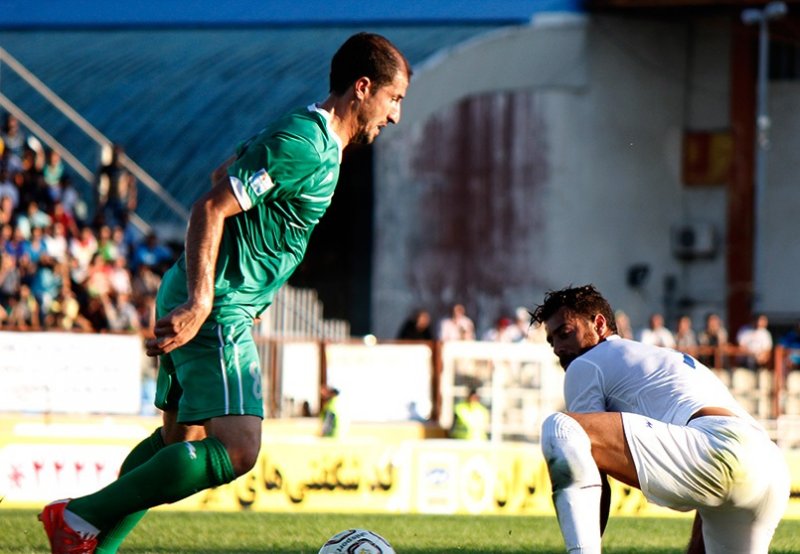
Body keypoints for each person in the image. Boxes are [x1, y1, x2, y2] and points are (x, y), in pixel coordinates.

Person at [38, 32, 411, 554]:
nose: (395, 116)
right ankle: (78, 517)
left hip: (216, 294)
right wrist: (204, 299)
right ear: (363, 88)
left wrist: (239, 285)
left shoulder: (307, 136)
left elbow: (223, 176)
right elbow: (210, 206)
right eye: (394, 100)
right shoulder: (305, 145)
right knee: (238, 449)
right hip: (215, 303)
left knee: (178, 442)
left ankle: (91, 544)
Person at [530, 284, 788, 554]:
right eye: (551, 341)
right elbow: (726, 463)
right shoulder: (655, 356)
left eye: (565, 333)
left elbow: (590, 470)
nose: (558, 348)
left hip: (722, 449)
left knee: (561, 428)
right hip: (768, 464)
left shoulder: (586, 363)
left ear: (599, 323)